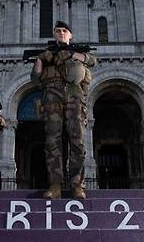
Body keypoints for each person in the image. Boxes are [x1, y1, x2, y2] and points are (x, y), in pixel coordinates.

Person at [31, 21, 97, 199]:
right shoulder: (47, 54)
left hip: (74, 96)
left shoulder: (78, 52)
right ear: (54, 35)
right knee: (52, 141)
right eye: (58, 31)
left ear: (70, 35)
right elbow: (35, 78)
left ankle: (77, 185)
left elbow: (92, 60)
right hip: (52, 96)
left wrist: (72, 55)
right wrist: (40, 60)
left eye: (64, 31)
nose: (61, 33)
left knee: (77, 140)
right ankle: (55, 185)